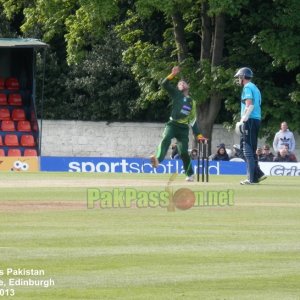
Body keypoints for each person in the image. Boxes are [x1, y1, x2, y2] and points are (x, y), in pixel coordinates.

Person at [150, 66, 205, 181]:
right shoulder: (176, 94)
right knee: (166, 138)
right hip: (172, 124)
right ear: (177, 88)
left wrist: (198, 135)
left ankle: (190, 174)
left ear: (187, 87)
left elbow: (193, 120)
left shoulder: (192, 102)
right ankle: (158, 160)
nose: (181, 84)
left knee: (184, 152)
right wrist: (172, 74)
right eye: (179, 83)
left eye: (183, 83)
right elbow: (164, 84)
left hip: (183, 129)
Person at [234, 67, 266, 185]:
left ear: (243, 77)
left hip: (250, 120)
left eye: (239, 77)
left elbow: (249, 104)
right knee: (245, 148)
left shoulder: (247, 87)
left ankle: (251, 179)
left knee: (247, 150)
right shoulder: (255, 88)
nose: (238, 79)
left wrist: (243, 120)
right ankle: (257, 175)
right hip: (255, 120)